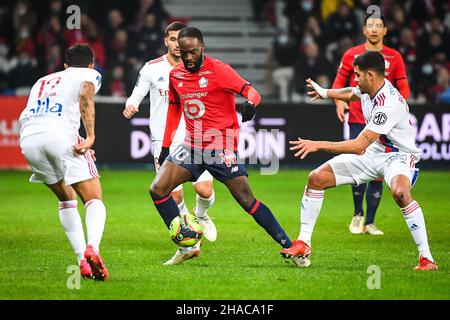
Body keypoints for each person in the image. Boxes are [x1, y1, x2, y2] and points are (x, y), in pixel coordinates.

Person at [150, 27, 295, 266]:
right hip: (191, 144)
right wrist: (166, 146)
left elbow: (252, 92)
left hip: (220, 145)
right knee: (157, 190)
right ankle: (186, 245)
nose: (188, 58)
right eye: (184, 53)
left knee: (247, 200)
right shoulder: (176, 75)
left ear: (202, 48)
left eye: (193, 52)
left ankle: (290, 247)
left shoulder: (220, 70)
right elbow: (175, 110)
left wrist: (251, 103)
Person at [281, 51, 438, 271]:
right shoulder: (369, 88)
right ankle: (303, 243)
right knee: (316, 178)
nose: (355, 79)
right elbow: (351, 93)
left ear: (371, 75)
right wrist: (325, 92)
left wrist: (318, 144)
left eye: (357, 74)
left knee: (400, 193)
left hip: (399, 156)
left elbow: (358, 145)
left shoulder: (389, 103)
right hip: (374, 153)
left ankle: (426, 258)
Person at [19, 44, 109, 280]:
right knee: (93, 197)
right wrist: (89, 137)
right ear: (91, 64)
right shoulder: (89, 74)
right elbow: (85, 93)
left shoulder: (42, 80)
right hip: (59, 135)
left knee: (66, 198)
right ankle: (93, 249)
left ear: (65, 66)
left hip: (28, 139)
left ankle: (82, 261)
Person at [123, 22, 217, 242]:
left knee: (204, 190)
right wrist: (131, 105)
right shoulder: (152, 68)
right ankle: (188, 230)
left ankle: (201, 215)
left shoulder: (201, 67)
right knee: (173, 195)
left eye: (180, 39)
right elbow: (135, 95)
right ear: (165, 41)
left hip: (197, 136)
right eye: (172, 39)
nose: (177, 44)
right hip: (164, 139)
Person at [332, 13, 411, 235]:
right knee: (359, 163)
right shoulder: (351, 54)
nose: (374, 29)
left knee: (379, 167)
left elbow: (403, 87)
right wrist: (338, 101)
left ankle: (371, 221)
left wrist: (402, 109)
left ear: (386, 30)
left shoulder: (394, 57)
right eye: (370, 25)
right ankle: (358, 214)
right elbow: (340, 82)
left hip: (384, 123)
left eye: (379, 25)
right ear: (364, 30)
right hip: (358, 117)